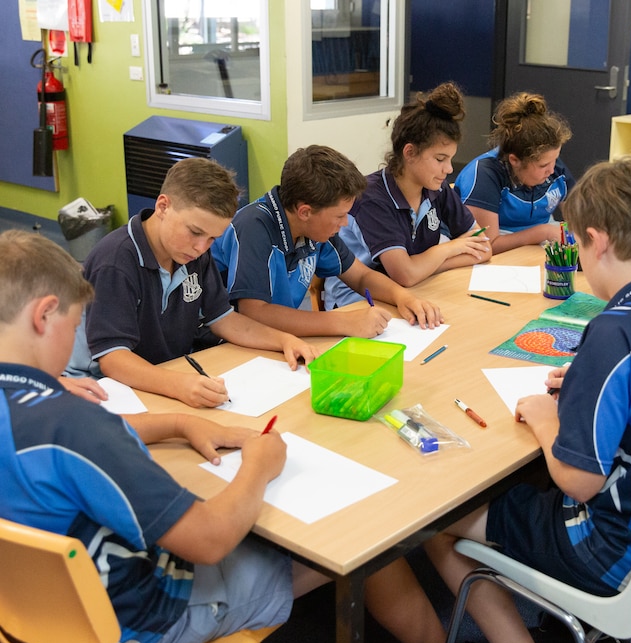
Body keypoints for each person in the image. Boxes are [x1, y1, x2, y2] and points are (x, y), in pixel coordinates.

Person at [0, 230, 448, 643]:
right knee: (359, 538)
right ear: (43, 316)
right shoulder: (75, 423)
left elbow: (67, 444)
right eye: (75, 322)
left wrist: (176, 423)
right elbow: (209, 539)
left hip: (32, 612)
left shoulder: (43, 415)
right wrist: (259, 465)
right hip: (146, 617)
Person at [424, 157, 631, 643]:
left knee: (439, 527)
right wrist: (593, 384)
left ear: (599, 241)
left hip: (614, 546)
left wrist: (547, 418)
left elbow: (579, 481)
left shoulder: (616, 331)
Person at [66, 157, 319, 409]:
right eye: (195, 232)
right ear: (163, 207)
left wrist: (284, 340)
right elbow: (113, 358)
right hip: (102, 387)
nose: (201, 247)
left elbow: (224, 320)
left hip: (160, 373)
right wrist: (178, 384)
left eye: (212, 238)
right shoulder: (116, 261)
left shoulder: (191, 254)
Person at [210, 145, 443, 338]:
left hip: (280, 338)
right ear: (305, 212)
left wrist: (403, 297)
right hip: (227, 344)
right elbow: (254, 313)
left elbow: (360, 276)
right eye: (339, 216)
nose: (344, 224)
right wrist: (342, 322)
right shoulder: (254, 226)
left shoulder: (317, 229)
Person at [324, 82, 492, 308]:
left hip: (417, 289)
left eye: (451, 159)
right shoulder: (372, 197)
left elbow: (483, 248)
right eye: (440, 159)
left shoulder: (436, 187)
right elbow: (404, 274)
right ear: (410, 153)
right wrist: (449, 248)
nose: (449, 169)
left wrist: (425, 266)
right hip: (360, 303)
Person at [454, 92, 575, 254]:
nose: (552, 170)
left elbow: (578, 218)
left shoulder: (552, 166)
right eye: (543, 165)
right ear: (515, 160)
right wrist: (542, 232)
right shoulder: (484, 174)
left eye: (555, 159)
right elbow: (487, 245)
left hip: (542, 244)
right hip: (500, 249)